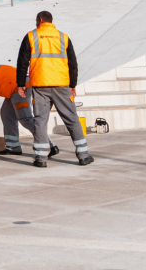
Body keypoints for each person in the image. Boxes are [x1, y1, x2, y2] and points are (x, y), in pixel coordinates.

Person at [16, 11, 94, 168]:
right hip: (61, 85)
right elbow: (73, 63)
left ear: (39, 20)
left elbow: (22, 62)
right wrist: (72, 85)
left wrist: (20, 84)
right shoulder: (63, 37)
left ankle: (41, 158)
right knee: (71, 118)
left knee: (40, 120)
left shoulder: (31, 36)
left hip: (40, 85)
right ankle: (83, 155)